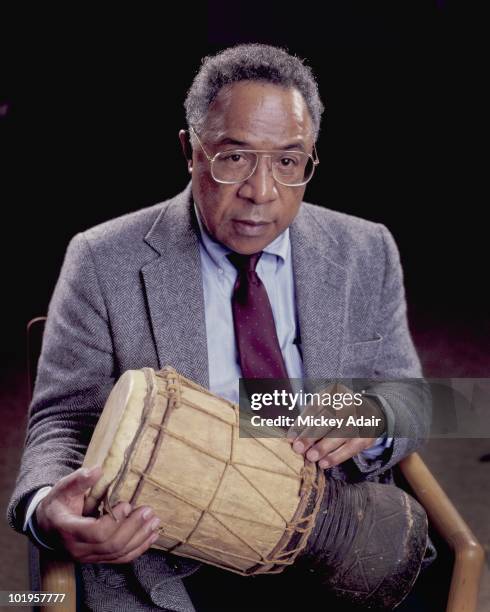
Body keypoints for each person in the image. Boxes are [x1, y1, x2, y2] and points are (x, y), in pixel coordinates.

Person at [7, 44, 431, 611]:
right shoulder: (101, 260)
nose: (262, 192)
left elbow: (414, 399)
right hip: (168, 561)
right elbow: (62, 419)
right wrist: (44, 512)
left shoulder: (365, 249)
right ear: (190, 151)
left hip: (337, 539)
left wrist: (373, 414)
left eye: (288, 161)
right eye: (234, 159)